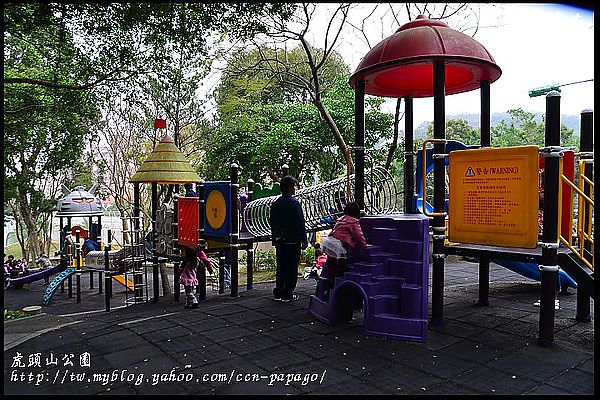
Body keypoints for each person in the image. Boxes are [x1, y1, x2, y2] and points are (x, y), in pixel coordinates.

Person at [270, 175, 308, 302]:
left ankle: (279, 290)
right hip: (292, 240)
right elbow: (299, 223)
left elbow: (273, 223)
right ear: (290, 188)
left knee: (281, 266)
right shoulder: (294, 204)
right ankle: (288, 293)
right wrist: (304, 239)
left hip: (280, 240)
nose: (295, 189)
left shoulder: (275, 204)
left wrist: (275, 239)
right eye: (294, 187)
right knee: (291, 267)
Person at [320, 202, 368, 298]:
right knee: (342, 266)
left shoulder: (341, 219)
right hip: (340, 245)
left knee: (332, 266)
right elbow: (359, 236)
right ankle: (339, 284)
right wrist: (364, 246)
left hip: (331, 243)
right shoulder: (354, 222)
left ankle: (328, 288)